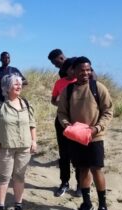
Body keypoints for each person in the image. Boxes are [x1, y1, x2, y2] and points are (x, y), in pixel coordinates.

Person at [57, 56, 113, 210]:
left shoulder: (98, 87)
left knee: (97, 169)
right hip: (76, 137)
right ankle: (87, 203)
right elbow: (62, 113)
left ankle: (103, 206)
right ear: (74, 71)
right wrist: (68, 126)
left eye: (88, 70)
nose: (86, 73)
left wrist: (97, 128)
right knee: (82, 169)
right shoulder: (68, 90)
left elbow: (108, 111)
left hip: (95, 137)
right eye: (82, 70)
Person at [0, 74, 37, 210]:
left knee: (20, 176)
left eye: (20, 84)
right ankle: (1, 207)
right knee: (4, 177)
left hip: (24, 146)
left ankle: (18, 205)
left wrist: (34, 141)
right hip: (5, 146)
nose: (19, 86)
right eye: (15, 84)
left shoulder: (26, 103)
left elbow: (32, 124)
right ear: (7, 87)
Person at [50, 57, 81, 197]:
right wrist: (61, 103)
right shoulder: (60, 82)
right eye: (71, 68)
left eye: (76, 68)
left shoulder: (81, 83)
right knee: (64, 155)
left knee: (78, 155)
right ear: (66, 69)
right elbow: (53, 100)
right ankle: (64, 183)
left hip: (78, 123)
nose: (74, 71)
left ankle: (81, 185)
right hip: (61, 121)